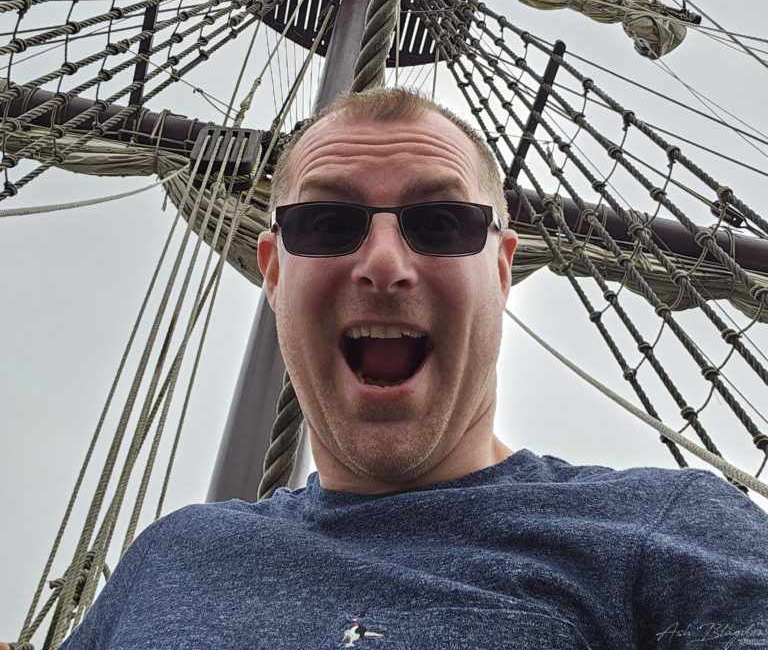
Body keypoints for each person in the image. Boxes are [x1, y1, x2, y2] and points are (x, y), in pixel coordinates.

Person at [14, 88, 768, 648]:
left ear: (501, 269)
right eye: (326, 223)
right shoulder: (169, 558)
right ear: (272, 272)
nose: (383, 264)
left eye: (440, 222)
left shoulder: (662, 533)